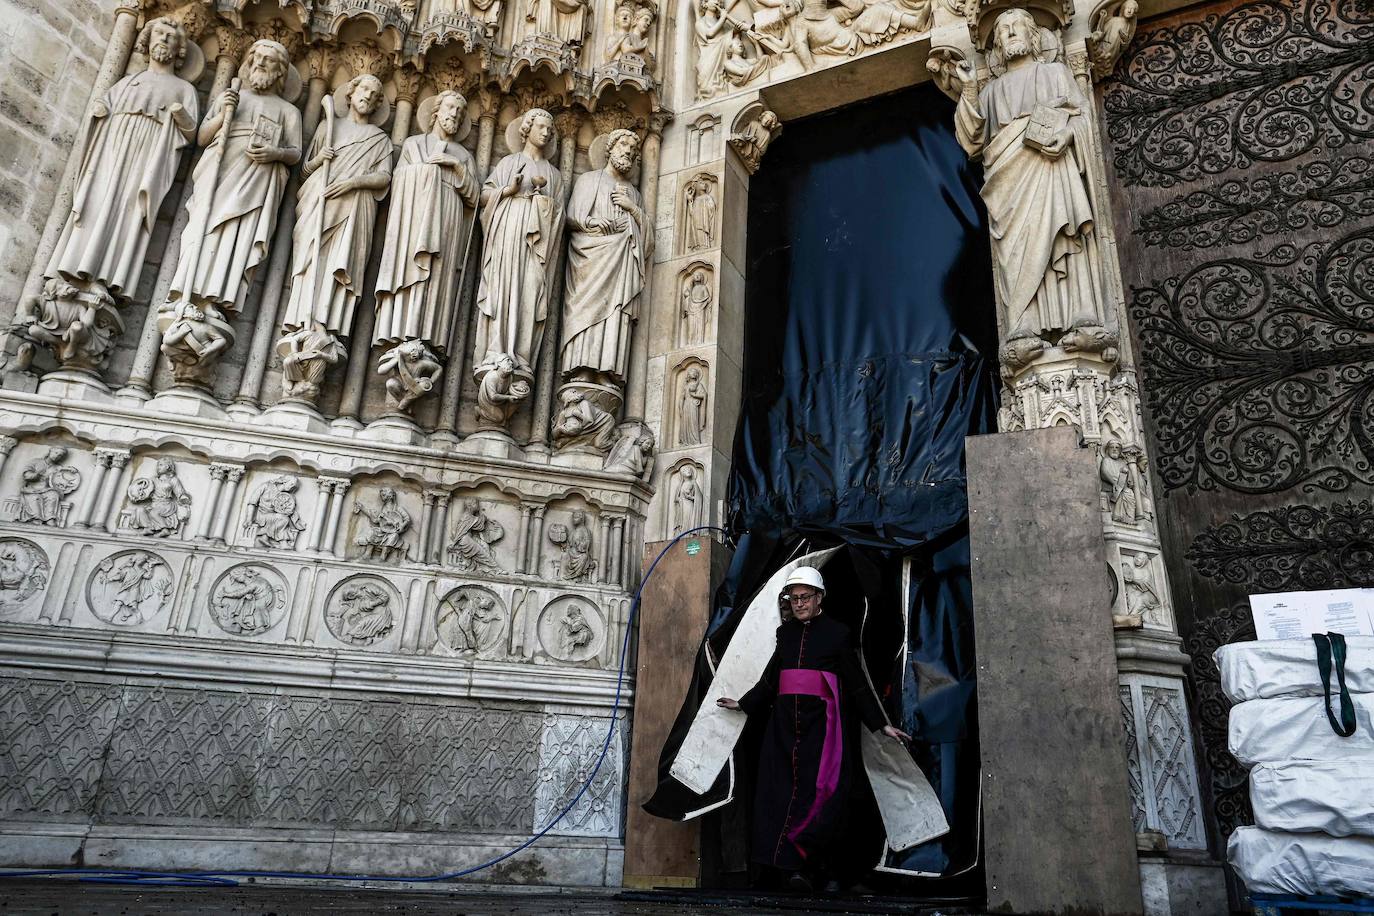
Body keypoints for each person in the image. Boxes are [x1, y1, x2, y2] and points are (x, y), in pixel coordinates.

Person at [717, 566, 910, 891]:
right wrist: (744, 703)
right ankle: (792, 870)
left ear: (819, 597)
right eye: (794, 598)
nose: (799, 603)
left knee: (824, 794)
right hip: (784, 729)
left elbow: (856, 683)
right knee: (781, 794)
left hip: (823, 729)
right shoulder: (785, 634)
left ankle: (824, 872)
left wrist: (881, 725)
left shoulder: (837, 633)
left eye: (805, 597)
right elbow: (771, 677)